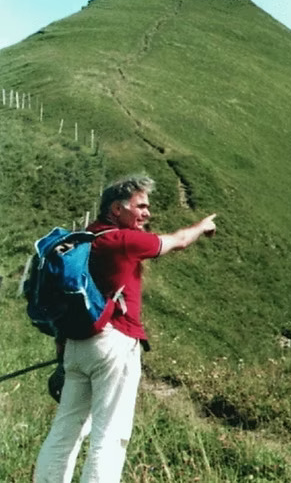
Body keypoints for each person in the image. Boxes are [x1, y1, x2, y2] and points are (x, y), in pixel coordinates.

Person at [34, 174, 217, 483]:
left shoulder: (82, 240)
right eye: (140, 206)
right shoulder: (122, 240)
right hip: (115, 343)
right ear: (116, 209)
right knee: (110, 434)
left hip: (78, 346)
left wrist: (63, 350)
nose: (147, 213)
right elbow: (178, 241)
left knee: (65, 430)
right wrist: (202, 226)